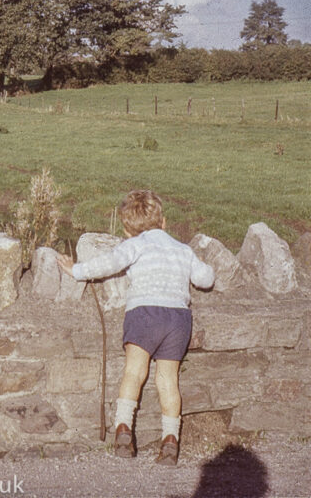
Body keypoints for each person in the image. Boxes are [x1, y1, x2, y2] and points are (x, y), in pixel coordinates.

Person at [57, 190, 214, 466]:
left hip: (144, 314)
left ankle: (123, 428)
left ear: (127, 229)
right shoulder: (182, 249)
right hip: (178, 318)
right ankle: (170, 440)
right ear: (163, 222)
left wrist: (76, 270)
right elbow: (205, 278)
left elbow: (108, 264)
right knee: (168, 379)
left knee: (134, 372)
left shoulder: (134, 245)